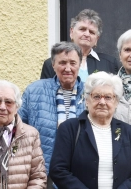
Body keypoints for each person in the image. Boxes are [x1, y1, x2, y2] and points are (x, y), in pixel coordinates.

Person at [49, 71, 131, 189]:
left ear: (116, 102)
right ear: (87, 100)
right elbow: (58, 170)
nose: (102, 102)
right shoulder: (70, 128)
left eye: (108, 97)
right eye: (97, 96)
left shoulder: (127, 131)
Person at [19, 42, 86, 172]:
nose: (68, 68)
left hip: (81, 169)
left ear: (79, 65)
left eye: (73, 63)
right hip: (43, 167)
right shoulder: (34, 90)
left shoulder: (90, 92)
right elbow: (19, 128)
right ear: (53, 65)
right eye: (62, 63)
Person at [0, 80, 46, 189]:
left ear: (17, 107)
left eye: (8, 102)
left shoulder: (31, 135)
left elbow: (38, 177)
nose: (2, 107)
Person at [40, 9, 119, 81]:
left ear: (96, 39)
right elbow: (45, 93)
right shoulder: (51, 63)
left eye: (91, 32)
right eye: (82, 29)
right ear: (71, 32)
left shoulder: (110, 63)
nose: (87, 34)